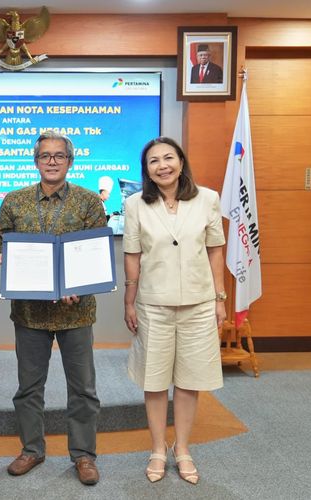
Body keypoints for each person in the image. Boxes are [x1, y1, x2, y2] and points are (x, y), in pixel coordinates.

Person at [0, 130, 107, 486]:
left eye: (59, 156)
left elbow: (95, 253)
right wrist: (3, 259)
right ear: (36, 161)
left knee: (83, 388)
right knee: (28, 387)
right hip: (30, 313)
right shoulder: (14, 200)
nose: (52, 161)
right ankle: (32, 449)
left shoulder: (89, 202)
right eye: (45, 156)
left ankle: (84, 455)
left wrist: (77, 283)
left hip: (76, 313)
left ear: (70, 162)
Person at [122, 137, 226, 485]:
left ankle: (182, 449)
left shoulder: (208, 198)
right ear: (147, 170)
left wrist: (220, 298)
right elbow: (132, 255)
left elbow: (215, 251)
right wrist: (129, 300)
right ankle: (156, 448)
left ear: (181, 162)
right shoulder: (136, 203)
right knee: (154, 381)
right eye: (154, 161)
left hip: (198, 304)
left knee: (188, 381)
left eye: (169, 158)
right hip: (153, 305)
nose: (162, 165)